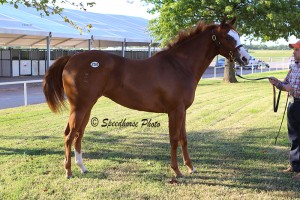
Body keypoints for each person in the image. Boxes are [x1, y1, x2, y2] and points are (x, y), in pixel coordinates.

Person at [269, 40, 300, 180]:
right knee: (294, 137)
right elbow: (286, 83)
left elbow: (292, 88)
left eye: (297, 50)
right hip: (293, 105)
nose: (293, 52)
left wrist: (290, 89)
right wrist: (278, 83)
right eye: (294, 49)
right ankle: (295, 166)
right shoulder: (294, 66)